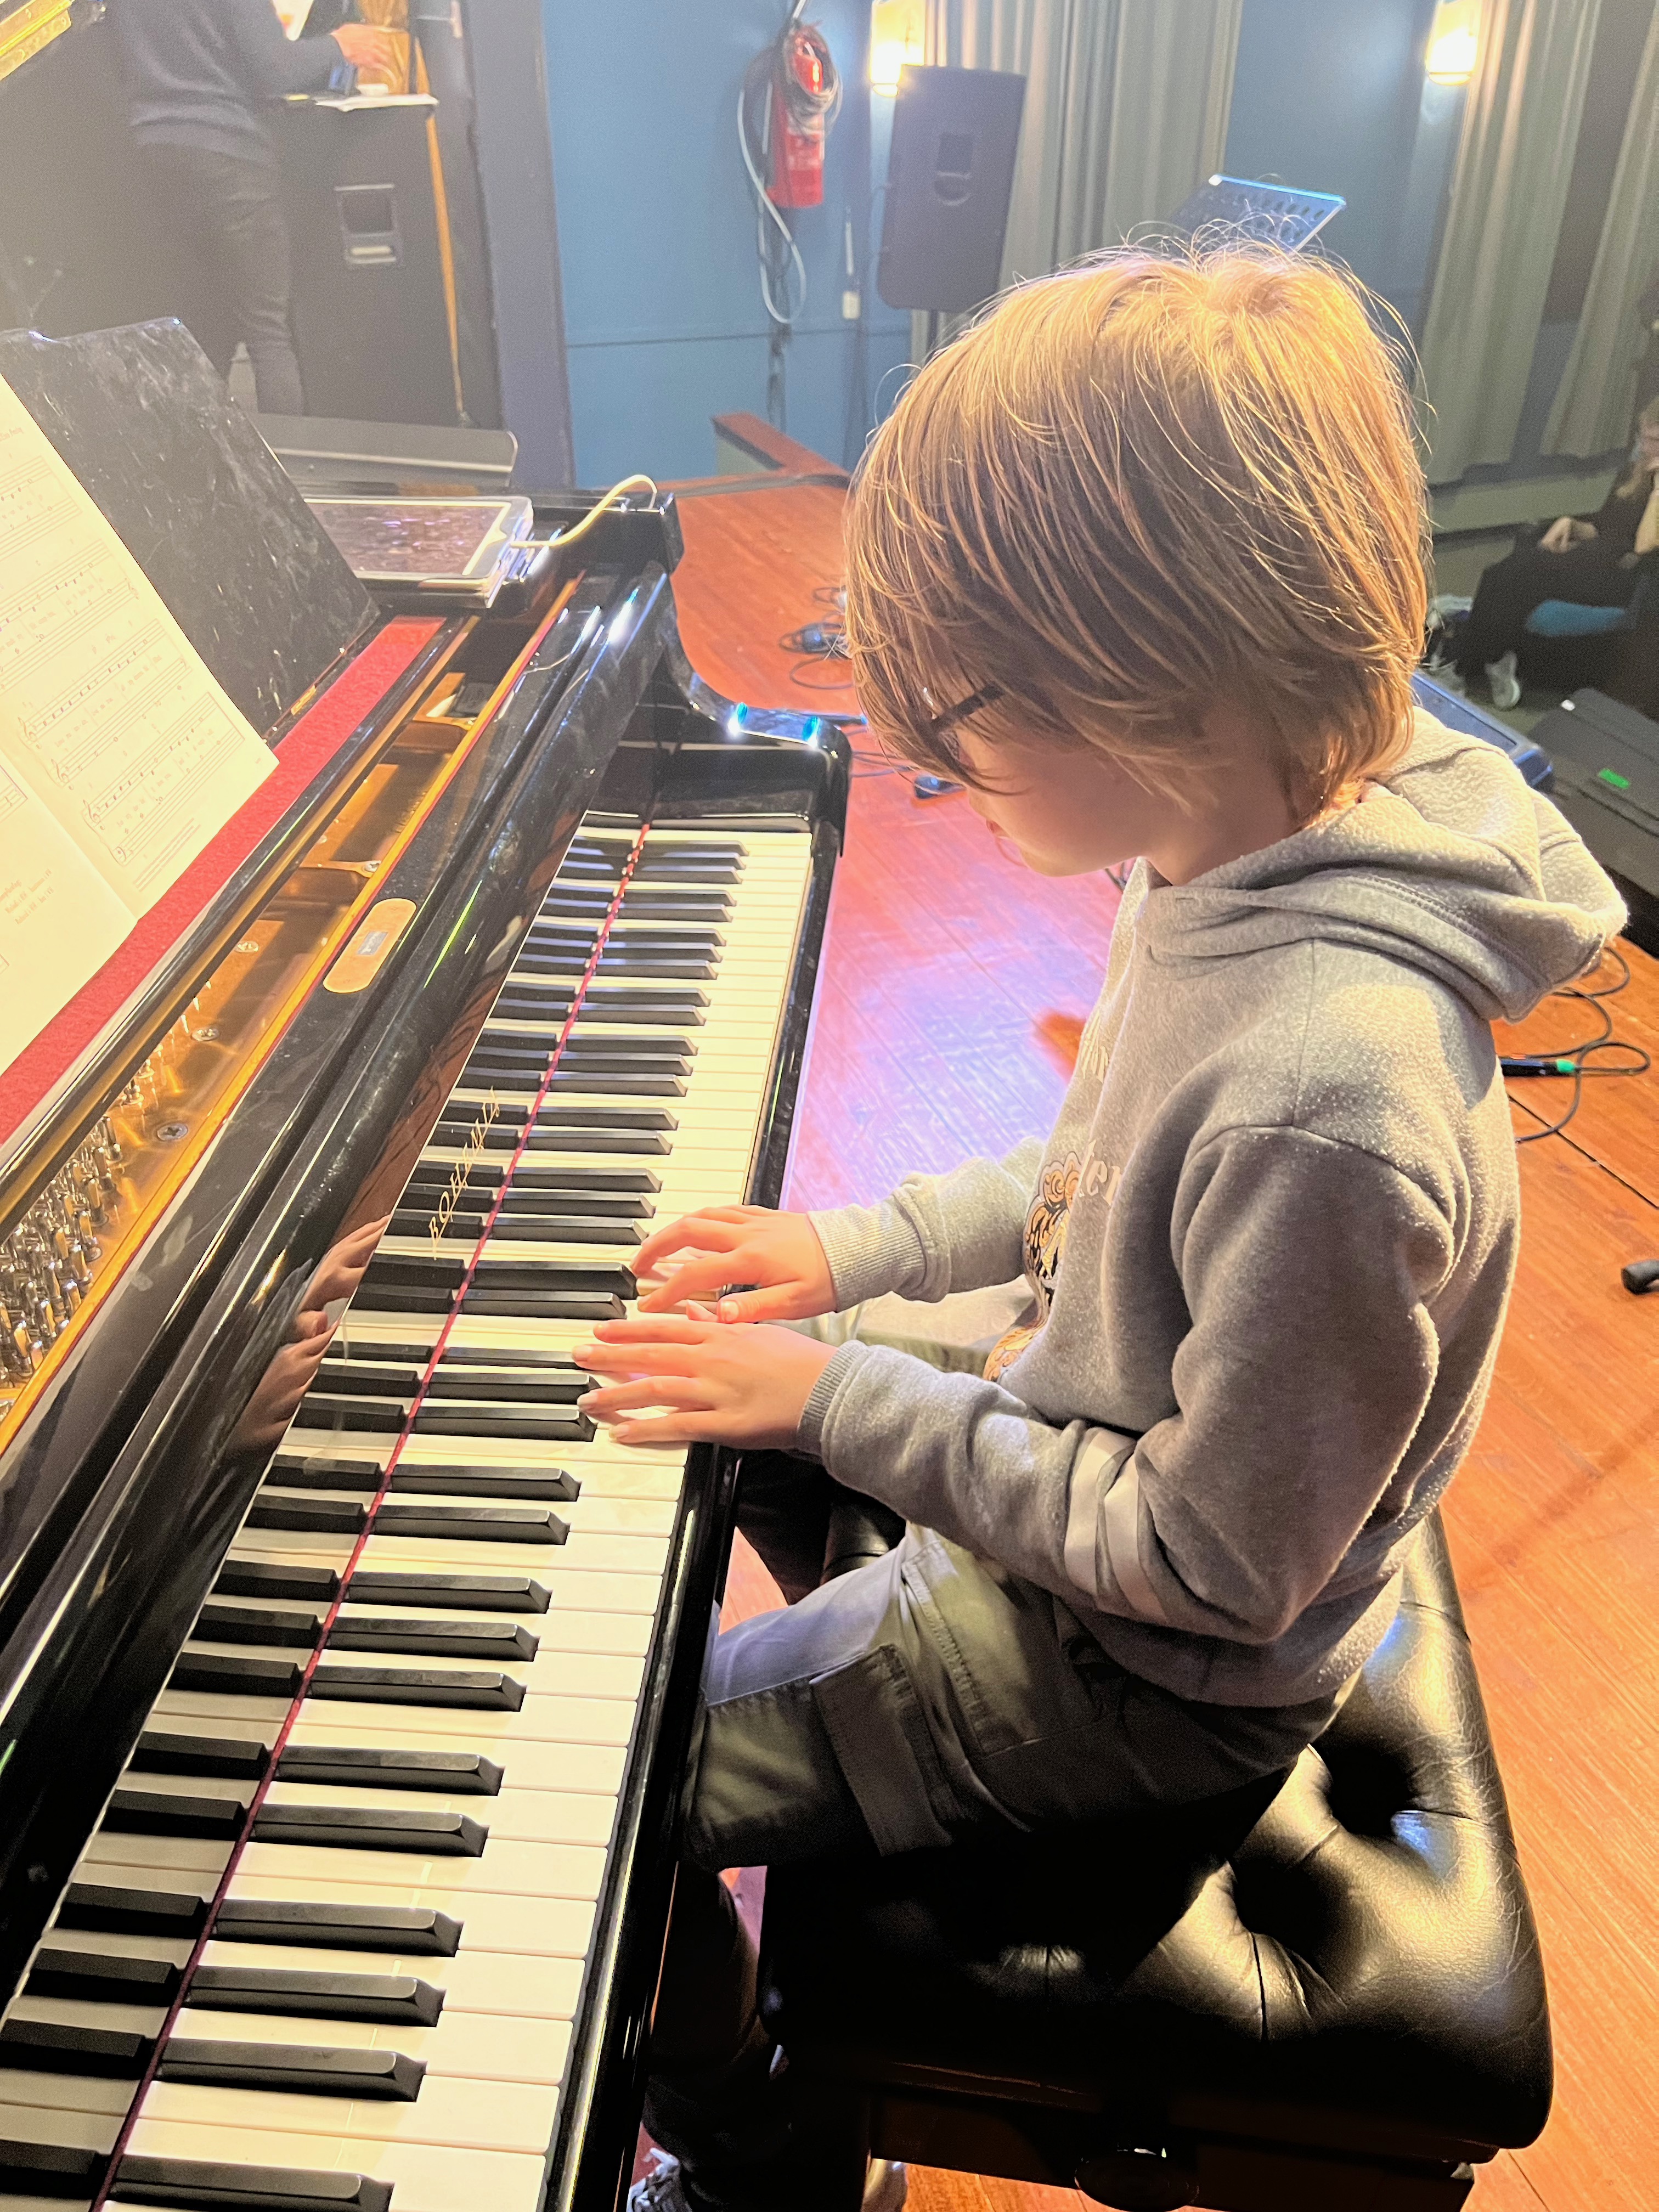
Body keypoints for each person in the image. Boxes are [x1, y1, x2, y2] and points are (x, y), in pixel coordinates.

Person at [573, 246, 1623, 2212]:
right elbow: (1091, 1176)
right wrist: (853, 1258)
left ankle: (755, 2161)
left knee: (602, 1791)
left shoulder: (1329, 1099)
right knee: (717, 1388)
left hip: (1136, 1676)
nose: (929, 766)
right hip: (1096, 1476)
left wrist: (839, 1399)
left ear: (1151, 678)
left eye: (957, 724)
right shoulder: (1227, 834)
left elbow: (1202, 1572)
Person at [111, 0, 399, 416]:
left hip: (156, 152)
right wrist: (340, 45)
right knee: (267, 333)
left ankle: (202, 448)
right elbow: (275, 70)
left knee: (199, 331)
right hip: (229, 154)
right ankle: (287, 455)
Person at [1451, 394, 1659, 708]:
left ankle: (1466, 667)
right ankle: (1489, 661)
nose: (1643, 447)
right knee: (1500, 576)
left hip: (1622, 580)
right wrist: (1571, 524)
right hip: (1592, 560)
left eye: (1654, 440)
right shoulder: (1634, 471)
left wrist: (1658, 488)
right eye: (1642, 436)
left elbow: (1644, 545)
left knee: (1513, 578)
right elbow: (1605, 528)